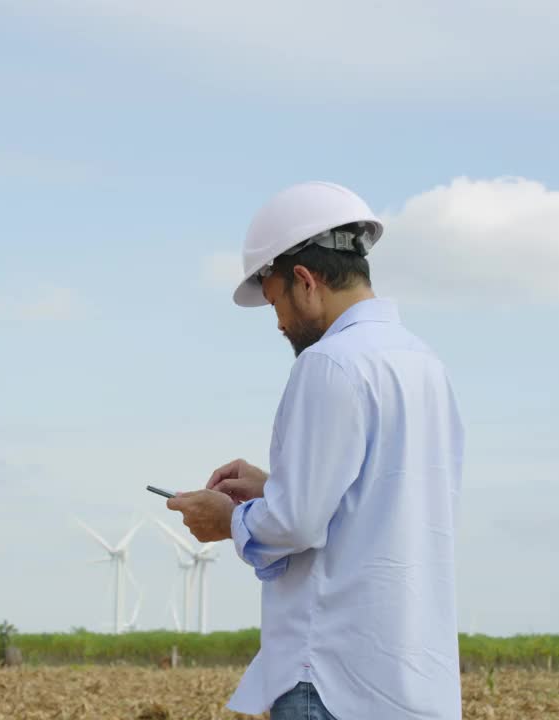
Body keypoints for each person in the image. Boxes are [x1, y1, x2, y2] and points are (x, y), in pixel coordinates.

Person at [166, 181, 465, 719]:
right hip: (417, 685)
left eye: (275, 298)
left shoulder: (329, 363)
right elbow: (380, 496)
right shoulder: (426, 366)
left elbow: (298, 525)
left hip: (332, 678)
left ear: (304, 281)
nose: (279, 322)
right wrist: (274, 484)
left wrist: (228, 519)